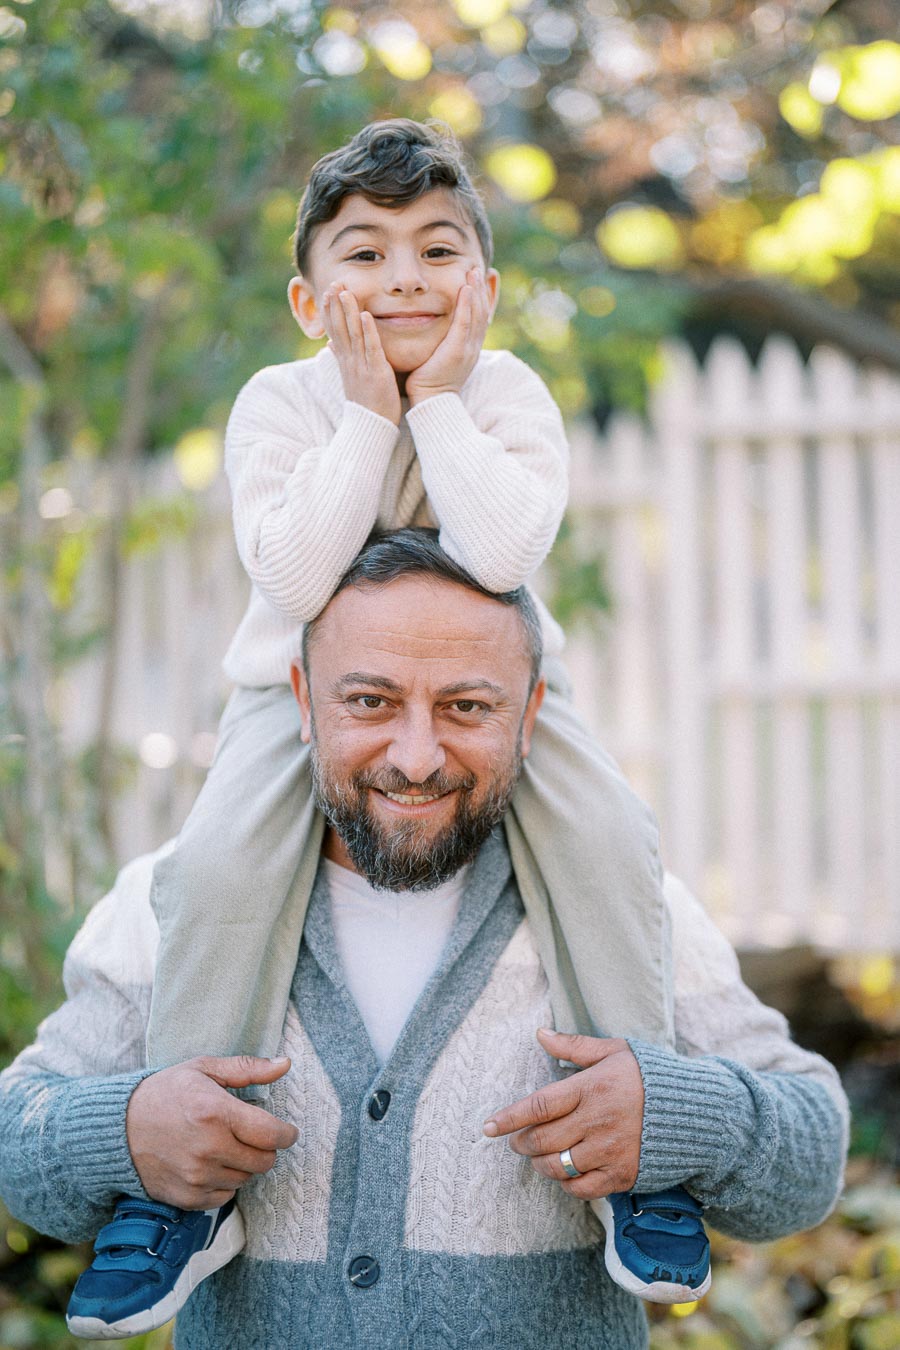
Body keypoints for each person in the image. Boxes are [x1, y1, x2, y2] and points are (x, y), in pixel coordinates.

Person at [75, 116, 687, 1334]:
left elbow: (502, 553)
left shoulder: (508, 395)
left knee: (614, 844)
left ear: (486, 288)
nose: (405, 277)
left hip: (492, 696)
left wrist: (438, 405)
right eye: (365, 254)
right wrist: (366, 413)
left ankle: (644, 1153)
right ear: (310, 302)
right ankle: (186, 1197)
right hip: (291, 693)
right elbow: (295, 578)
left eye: (437, 250)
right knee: (216, 869)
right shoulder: (279, 404)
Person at [0, 532, 849, 1349]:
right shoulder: (170, 904)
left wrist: (683, 1118)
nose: (415, 757)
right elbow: (15, 1135)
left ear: (530, 714)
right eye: (370, 701)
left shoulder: (629, 912)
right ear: (302, 700)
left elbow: (813, 1151)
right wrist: (122, 1132)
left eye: (466, 707)